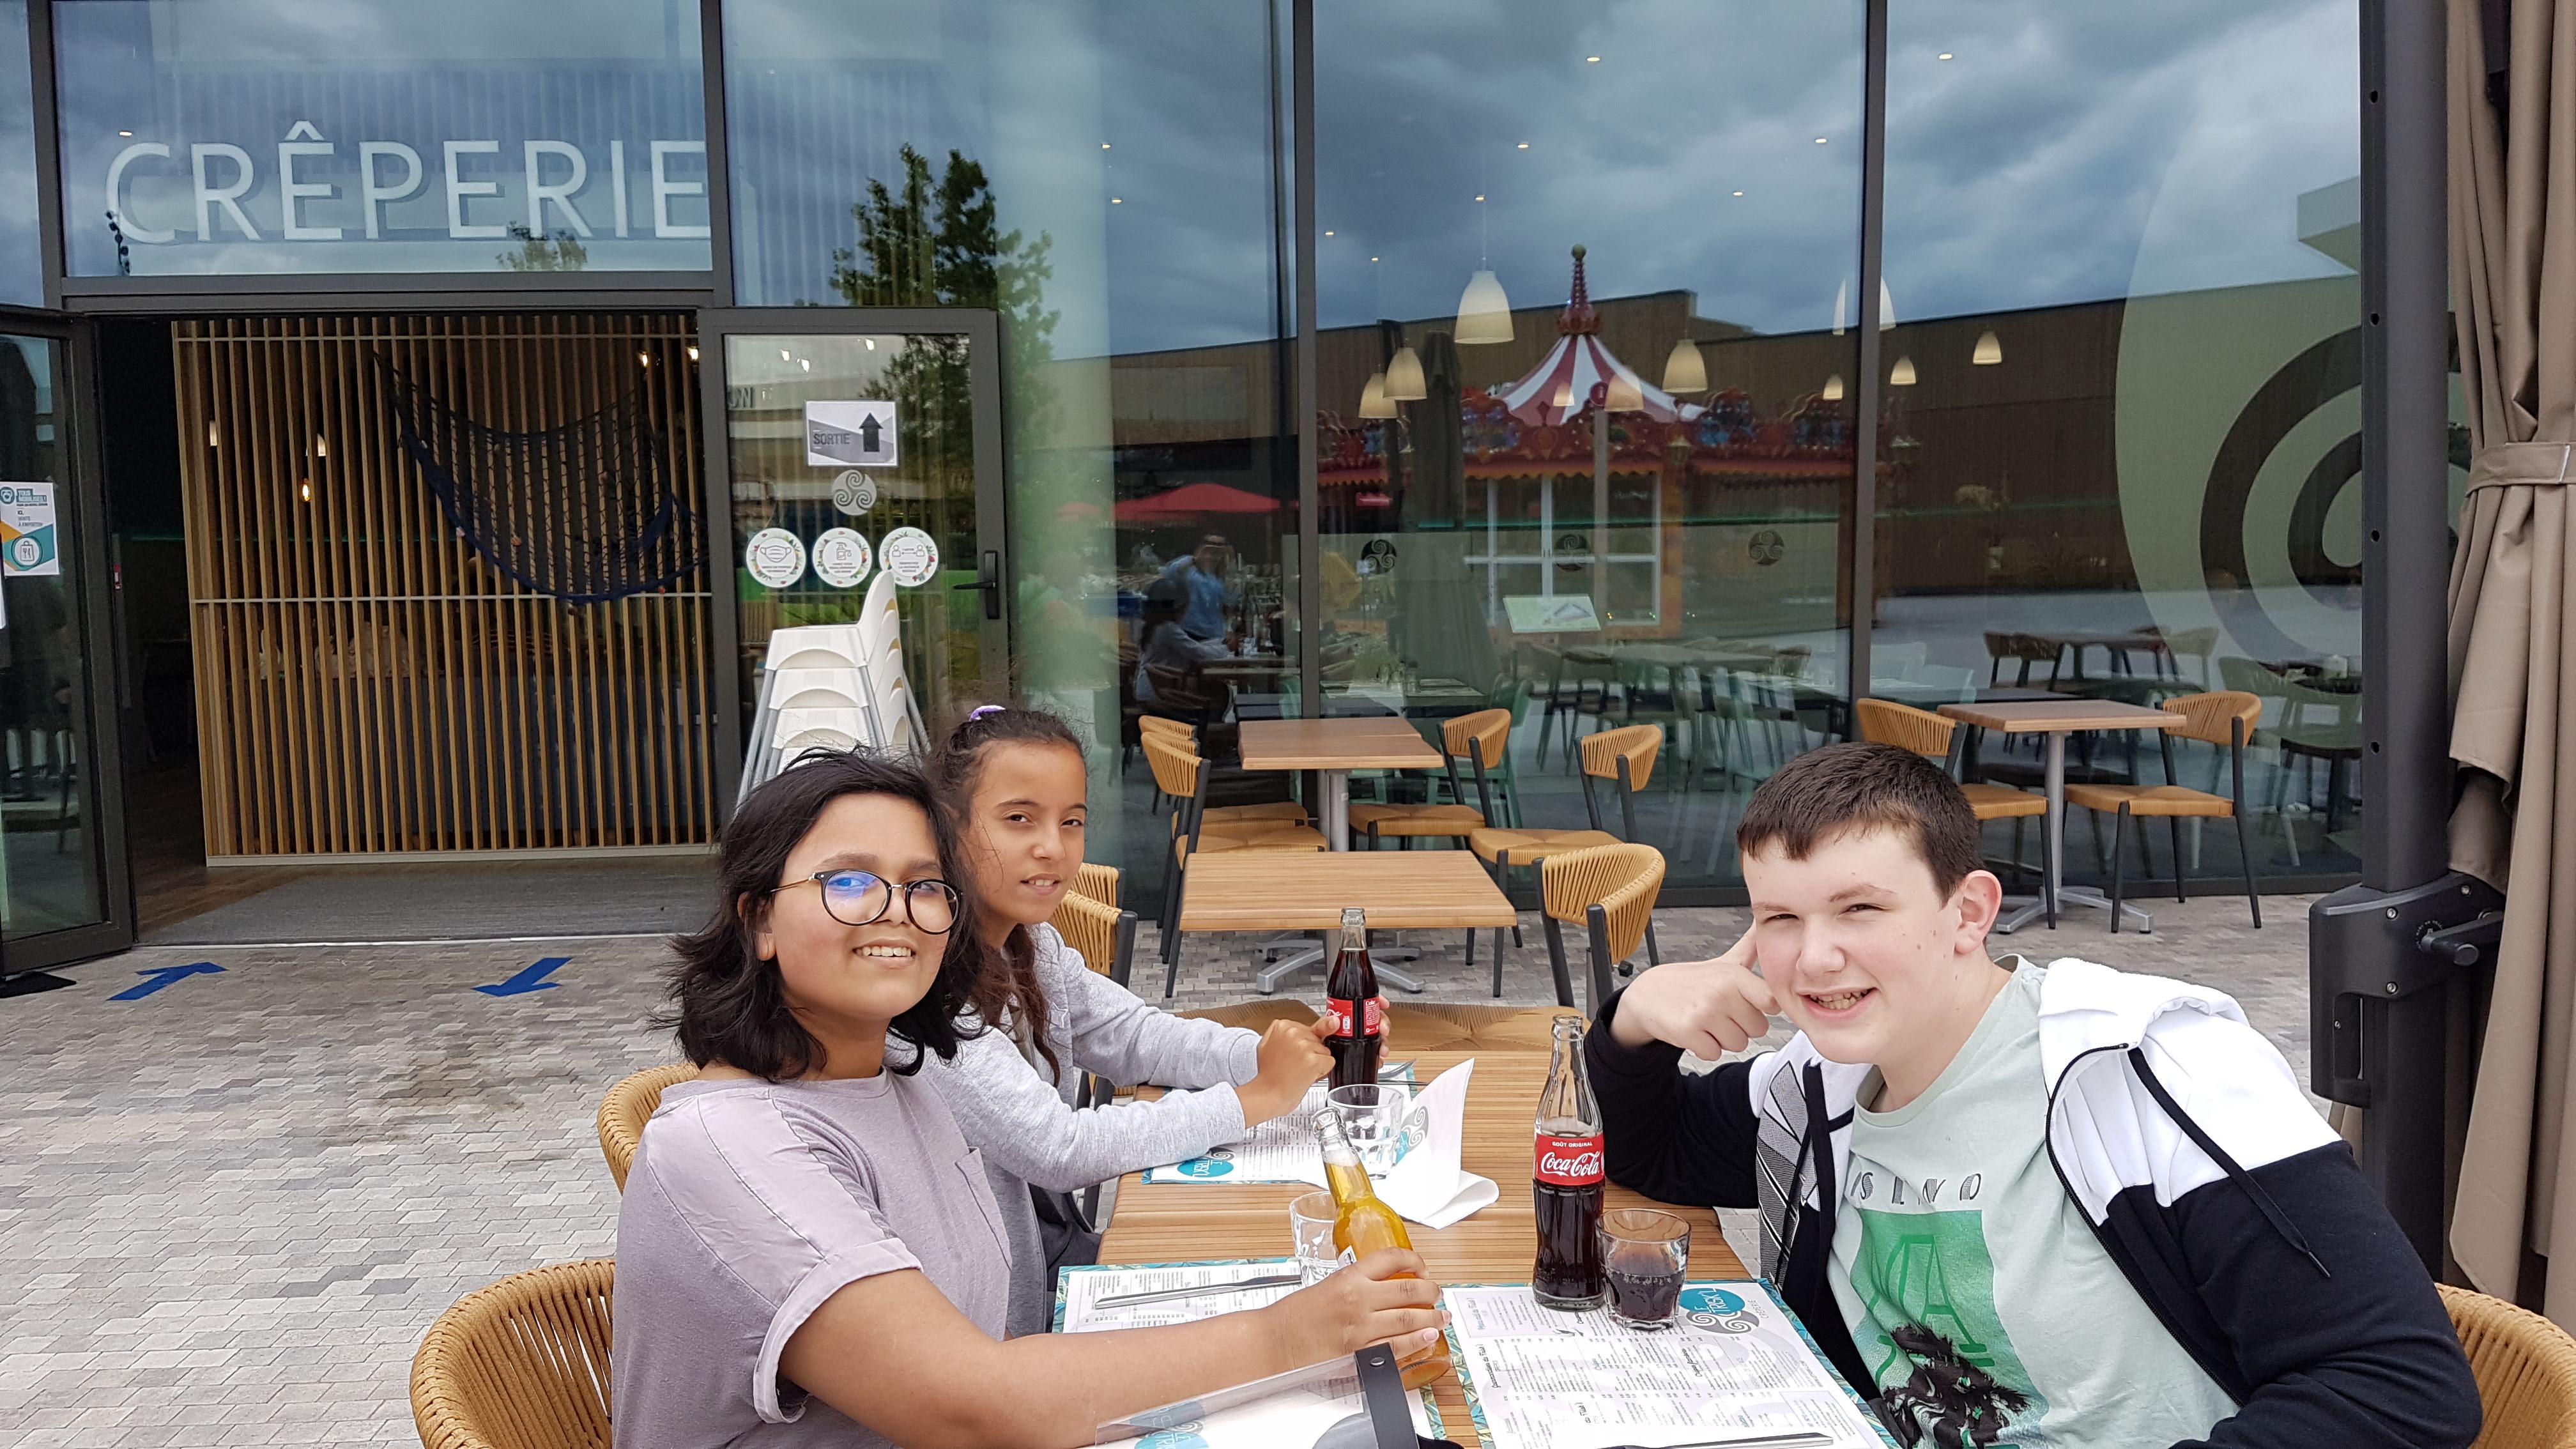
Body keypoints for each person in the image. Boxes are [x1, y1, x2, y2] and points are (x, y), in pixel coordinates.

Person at [1588, 742, 2479, 1449]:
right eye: (1780, 918)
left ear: (1970, 913)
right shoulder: (1818, 1086)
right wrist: (1633, 1022)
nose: (1814, 958)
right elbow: (1652, 1152)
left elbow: (2399, 1387)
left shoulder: (2149, 1072)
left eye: (1860, 910)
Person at [612, 749, 1445, 1448]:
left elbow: (1002, 1351)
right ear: (759, 919)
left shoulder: (906, 1077)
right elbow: (975, 1405)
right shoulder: (729, 1147)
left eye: (923, 886)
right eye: (849, 882)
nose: (895, 912)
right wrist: (1289, 1334)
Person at [928, 703, 1337, 1335]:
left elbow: (1137, 1036)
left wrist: (1271, 1057)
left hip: (1059, 1256)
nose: (1052, 848)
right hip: (998, 1323)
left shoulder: (1032, 946)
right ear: (949, 825)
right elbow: (1059, 1148)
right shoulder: (927, 988)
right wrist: (1256, 1098)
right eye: (1018, 819)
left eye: (1071, 822)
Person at [1133, 576, 1229, 707]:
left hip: (1152, 691)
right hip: (1160, 696)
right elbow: (1198, 653)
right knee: (1215, 691)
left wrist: (1221, 642)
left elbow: (1191, 646)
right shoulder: (1168, 630)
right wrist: (1227, 649)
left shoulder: (1155, 626)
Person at [1160, 532, 1239, 643]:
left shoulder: (1221, 574)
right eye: (1210, 544)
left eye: (1219, 545)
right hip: (1187, 630)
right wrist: (1197, 558)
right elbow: (1169, 574)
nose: (1214, 549)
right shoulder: (1188, 564)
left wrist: (1231, 561)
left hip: (1213, 634)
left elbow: (1230, 602)